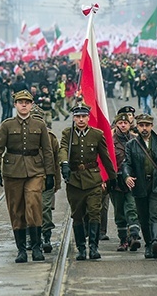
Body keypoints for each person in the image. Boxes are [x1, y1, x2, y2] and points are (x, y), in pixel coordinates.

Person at [0, 89, 55, 263]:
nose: (24, 105)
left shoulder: (39, 125)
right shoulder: (7, 125)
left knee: (33, 204)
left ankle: (36, 247)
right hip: (13, 172)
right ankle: (21, 250)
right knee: (16, 209)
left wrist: (50, 173)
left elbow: (48, 151)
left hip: (35, 170)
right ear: (15, 105)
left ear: (32, 104)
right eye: (21, 102)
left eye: (27, 102)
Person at [59, 102, 117, 260]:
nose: (80, 120)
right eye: (77, 117)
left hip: (93, 180)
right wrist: (64, 163)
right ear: (73, 118)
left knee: (94, 213)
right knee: (77, 215)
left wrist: (112, 178)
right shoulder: (67, 133)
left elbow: (105, 157)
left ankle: (93, 247)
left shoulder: (97, 134)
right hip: (75, 181)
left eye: (83, 116)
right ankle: (81, 249)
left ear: (88, 117)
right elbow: (63, 149)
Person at [123, 113, 157, 259]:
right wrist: (127, 176)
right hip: (140, 186)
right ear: (137, 127)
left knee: (156, 214)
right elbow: (127, 164)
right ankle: (148, 244)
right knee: (144, 216)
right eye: (141, 125)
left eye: (147, 125)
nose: (144, 128)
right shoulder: (131, 145)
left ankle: (155, 241)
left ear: (151, 126)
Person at [30, 105, 61, 253]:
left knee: (45, 209)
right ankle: (32, 237)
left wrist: (56, 183)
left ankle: (46, 236)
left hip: (46, 180)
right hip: (28, 179)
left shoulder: (51, 138)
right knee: (29, 209)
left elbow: (56, 163)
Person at [110, 113, 141, 252]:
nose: (123, 125)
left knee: (132, 208)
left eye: (126, 123)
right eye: (120, 123)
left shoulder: (136, 140)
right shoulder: (109, 141)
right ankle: (123, 239)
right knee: (119, 212)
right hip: (116, 182)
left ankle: (134, 236)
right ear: (116, 124)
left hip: (132, 181)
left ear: (130, 124)